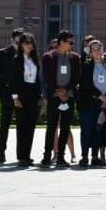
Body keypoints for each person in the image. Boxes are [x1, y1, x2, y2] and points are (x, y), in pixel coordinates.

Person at [41, 29, 81, 168]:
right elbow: (47, 77)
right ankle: (47, 156)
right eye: (70, 42)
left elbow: (77, 76)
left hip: (69, 96)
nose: (72, 45)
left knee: (65, 127)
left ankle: (61, 157)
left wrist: (66, 90)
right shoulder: (48, 57)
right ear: (62, 42)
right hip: (54, 96)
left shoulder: (75, 57)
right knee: (51, 126)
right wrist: (59, 91)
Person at [6, 33, 42, 168]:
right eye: (26, 42)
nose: (29, 45)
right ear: (21, 45)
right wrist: (15, 98)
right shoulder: (16, 60)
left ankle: (27, 155)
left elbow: (37, 79)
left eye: (31, 42)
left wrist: (39, 96)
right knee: (22, 126)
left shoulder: (34, 59)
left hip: (33, 94)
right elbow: (12, 80)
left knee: (31, 125)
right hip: (21, 94)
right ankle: (21, 156)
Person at [77, 38, 106, 167]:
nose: (97, 51)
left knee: (98, 130)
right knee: (86, 130)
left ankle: (95, 156)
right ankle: (84, 156)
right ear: (90, 52)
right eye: (94, 50)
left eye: (99, 48)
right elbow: (86, 84)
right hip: (88, 103)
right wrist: (101, 96)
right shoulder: (87, 65)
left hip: (103, 104)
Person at [0, 28, 22, 164]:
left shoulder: (26, 53)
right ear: (12, 39)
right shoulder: (3, 53)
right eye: (17, 41)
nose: (20, 44)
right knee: (5, 124)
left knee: (21, 125)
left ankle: (22, 154)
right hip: (6, 92)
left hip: (21, 93)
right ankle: (1, 152)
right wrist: (10, 76)